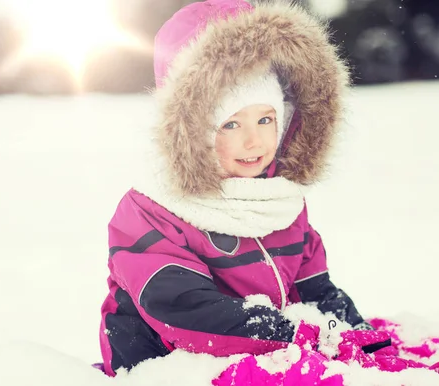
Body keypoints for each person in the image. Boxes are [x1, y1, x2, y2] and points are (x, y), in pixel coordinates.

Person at [97, 0, 374, 376]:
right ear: (192, 131)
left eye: (265, 119)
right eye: (230, 124)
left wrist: (350, 334)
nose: (254, 142)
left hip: (262, 351)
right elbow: (184, 309)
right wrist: (296, 335)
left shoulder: (277, 199)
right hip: (165, 366)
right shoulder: (152, 209)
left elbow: (315, 290)